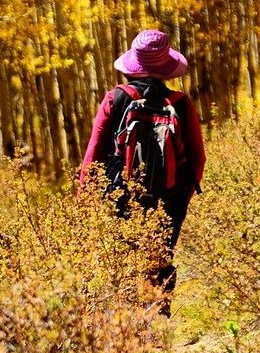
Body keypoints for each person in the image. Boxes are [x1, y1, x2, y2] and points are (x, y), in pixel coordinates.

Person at [79, 29, 206, 312]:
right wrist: (181, 198)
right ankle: (158, 329)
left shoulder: (115, 99)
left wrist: (86, 201)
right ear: (167, 69)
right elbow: (199, 159)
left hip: (120, 196)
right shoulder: (181, 104)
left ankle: (130, 336)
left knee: (125, 261)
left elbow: (93, 156)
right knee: (160, 259)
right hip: (170, 198)